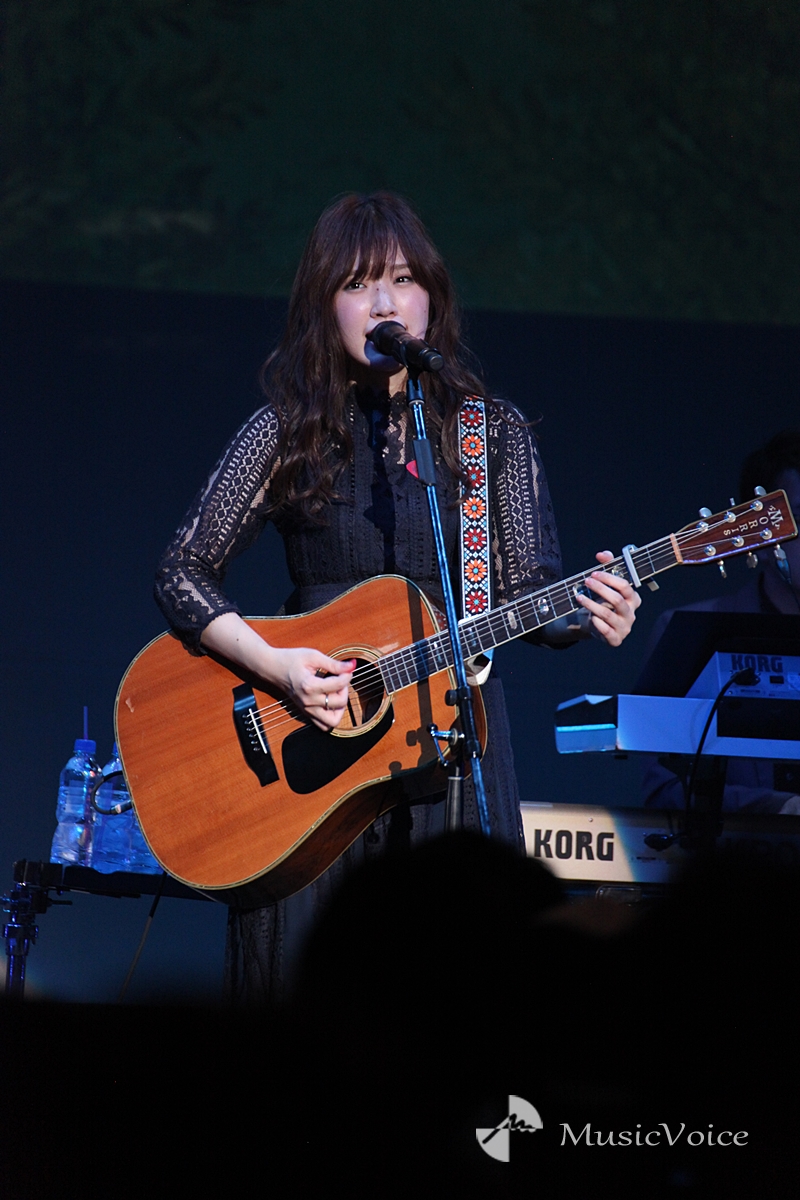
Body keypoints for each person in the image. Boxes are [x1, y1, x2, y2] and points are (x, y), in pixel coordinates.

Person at [154, 191, 640, 1003]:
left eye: (403, 280)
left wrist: (591, 614)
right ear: (325, 308)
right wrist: (275, 666)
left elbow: (527, 593)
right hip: (313, 764)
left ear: (432, 299)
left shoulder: (488, 433)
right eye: (357, 284)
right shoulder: (288, 431)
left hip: (451, 753)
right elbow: (181, 570)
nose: (384, 302)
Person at [641, 429, 800, 813]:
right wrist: (779, 808)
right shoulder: (689, 630)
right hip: (742, 851)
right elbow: (666, 788)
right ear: (759, 538)